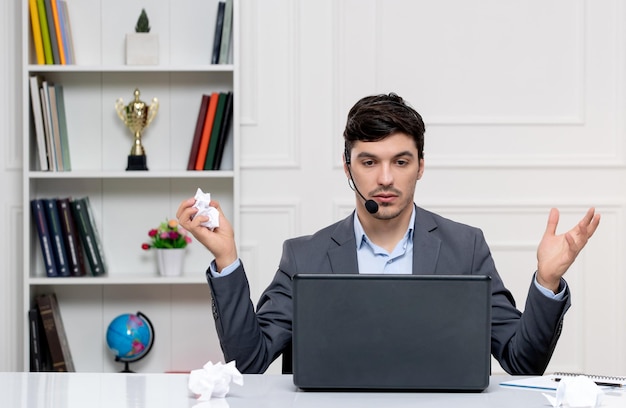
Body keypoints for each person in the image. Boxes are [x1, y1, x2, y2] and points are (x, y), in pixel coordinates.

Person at [176, 92, 600, 376]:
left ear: (420, 165)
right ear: (348, 168)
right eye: (368, 161)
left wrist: (546, 282)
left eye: (400, 161)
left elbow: (521, 362)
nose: (385, 178)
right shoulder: (304, 255)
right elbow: (249, 363)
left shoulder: (465, 247)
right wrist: (226, 261)